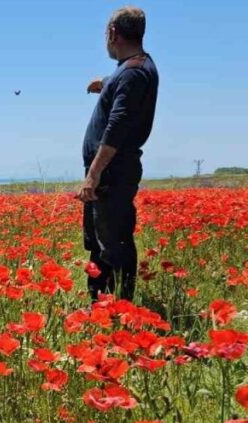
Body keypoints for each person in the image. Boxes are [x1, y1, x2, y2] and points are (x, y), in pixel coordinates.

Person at [78, 6, 158, 302]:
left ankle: (122, 309)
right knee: (99, 243)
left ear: (113, 34)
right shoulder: (131, 70)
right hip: (111, 170)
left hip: (111, 171)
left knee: (114, 243)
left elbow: (116, 128)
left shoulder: (133, 74)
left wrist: (94, 174)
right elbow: (125, 100)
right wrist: (107, 83)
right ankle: (99, 306)